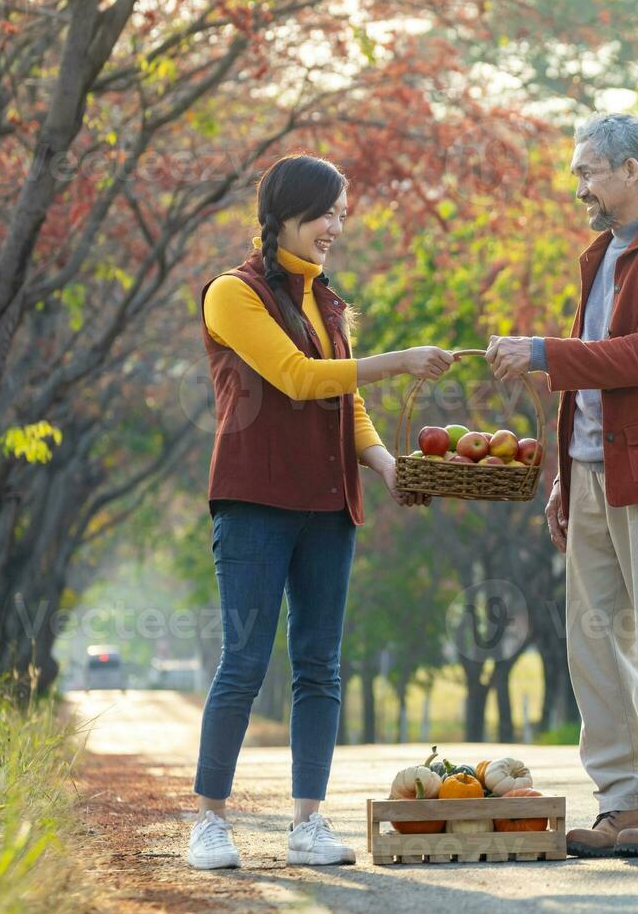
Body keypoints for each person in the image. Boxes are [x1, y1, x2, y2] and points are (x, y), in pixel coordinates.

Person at [187, 153, 455, 870]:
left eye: (343, 214)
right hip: (254, 502)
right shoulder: (231, 293)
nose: (338, 226)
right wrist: (398, 360)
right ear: (287, 212)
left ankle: (309, 823)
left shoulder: (325, 298)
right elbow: (301, 379)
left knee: (319, 667)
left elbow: (347, 401)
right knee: (243, 663)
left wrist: (390, 467)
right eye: (328, 212)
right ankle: (209, 821)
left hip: (331, 503)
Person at [486, 112, 638, 857]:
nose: (578, 185)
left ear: (630, 170)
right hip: (591, 472)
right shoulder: (602, 254)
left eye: (588, 170)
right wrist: (562, 475)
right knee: (594, 641)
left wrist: (540, 351)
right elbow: (592, 372)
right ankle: (625, 800)